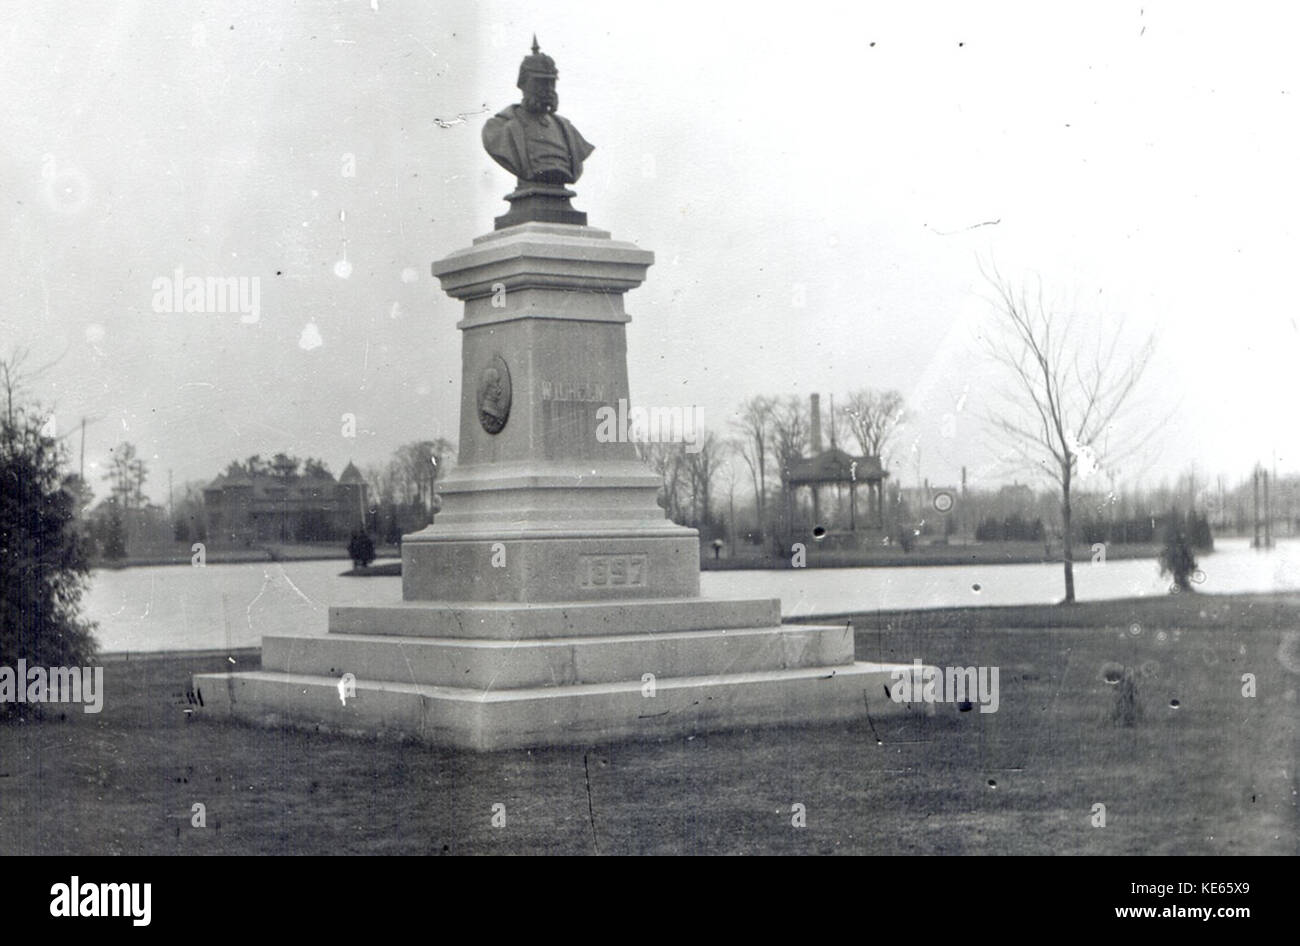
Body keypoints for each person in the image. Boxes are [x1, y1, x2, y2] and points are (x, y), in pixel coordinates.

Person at [481, 37, 594, 186]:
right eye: (539, 82)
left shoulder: (567, 129)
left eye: (550, 82)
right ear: (522, 83)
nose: (547, 89)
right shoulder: (498, 129)